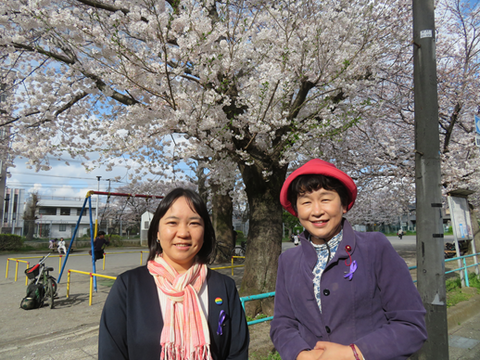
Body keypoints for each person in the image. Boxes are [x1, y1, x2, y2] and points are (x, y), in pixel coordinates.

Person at [270, 159, 427, 360]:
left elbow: (411, 324)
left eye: (325, 199)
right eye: (306, 202)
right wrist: (300, 354)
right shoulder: (288, 260)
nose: (317, 211)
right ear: (297, 210)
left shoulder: (375, 247)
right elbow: (282, 323)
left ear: (343, 204)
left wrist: (353, 353)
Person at [99, 188, 249, 360]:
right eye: (172, 223)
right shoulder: (128, 286)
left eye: (194, 223)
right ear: (157, 231)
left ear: (205, 232)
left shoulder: (224, 286)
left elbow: (237, 353)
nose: (183, 233)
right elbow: (111, 353)